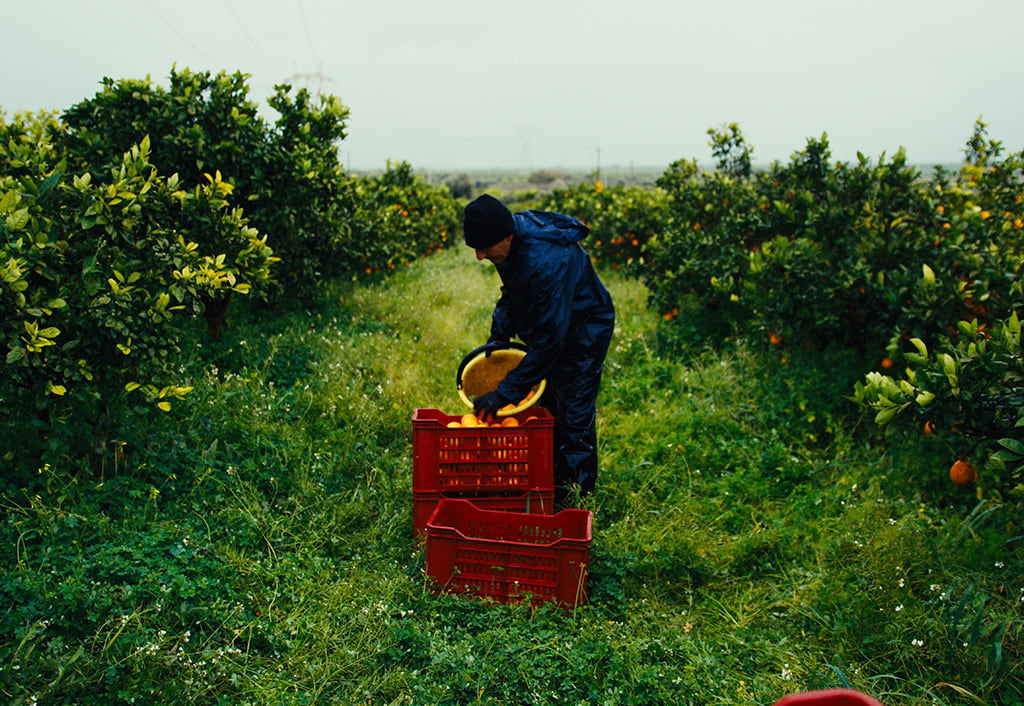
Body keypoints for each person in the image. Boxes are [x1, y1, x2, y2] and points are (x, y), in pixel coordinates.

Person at [463, 193, 615, 506]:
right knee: (546, 407)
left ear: (506, 237)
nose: (479, 256)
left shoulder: (547, 261)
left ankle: (574, 502)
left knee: (573, 410)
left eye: (484, 248)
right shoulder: (508, 240)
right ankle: (548, 481)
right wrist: (500, 334)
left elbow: (549, 343)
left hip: (585, 327)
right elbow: (513, 292)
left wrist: (503, 393)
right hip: (554, 322)